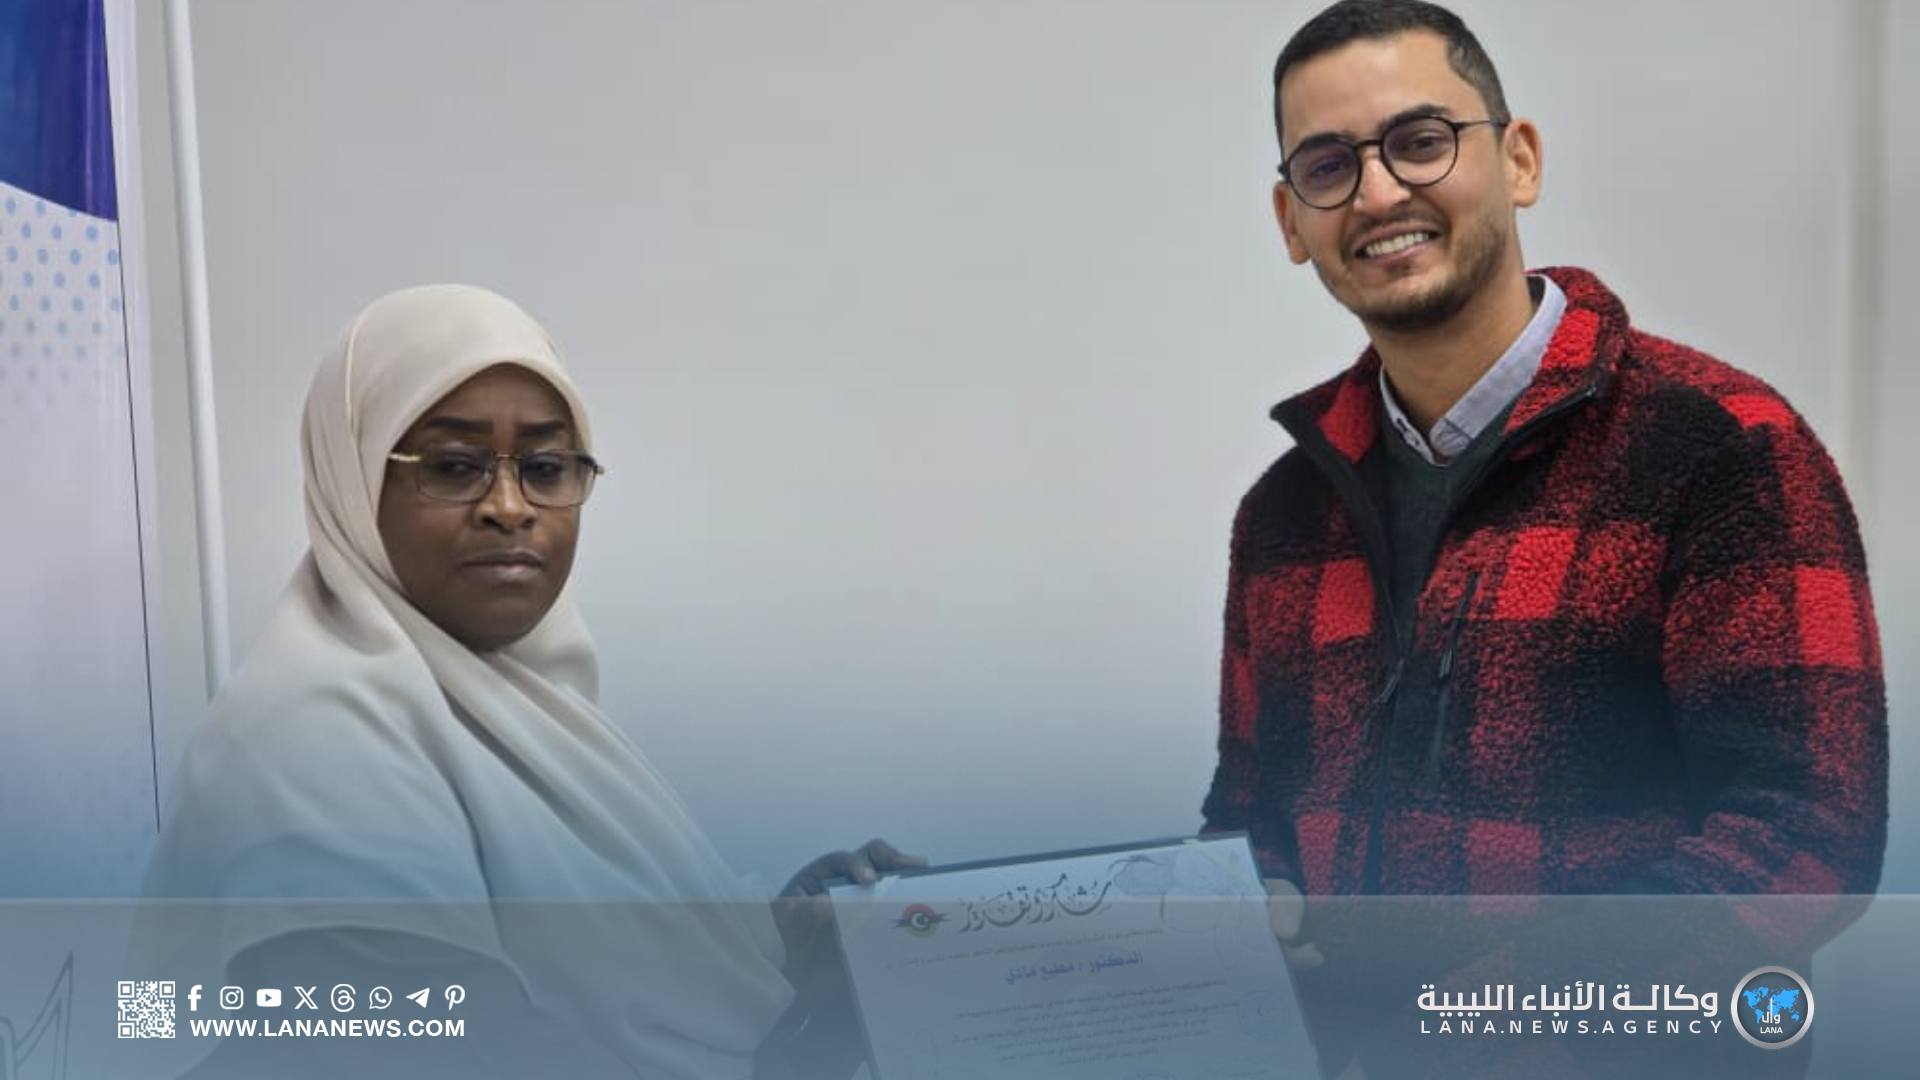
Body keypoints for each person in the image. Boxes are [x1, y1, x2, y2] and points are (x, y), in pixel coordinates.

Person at [1200, 2, 1888, 1076]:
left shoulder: (1721, 446)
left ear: (1518, 160)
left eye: (1421, 140)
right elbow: (1248, 824)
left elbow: (1806, 837)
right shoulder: (1283, 516)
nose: (1377, 192)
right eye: (1329, 166)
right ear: (1292, 222)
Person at [140, 284, 912, 1080]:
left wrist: (783, 950)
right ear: (355, 481)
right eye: (453, 467)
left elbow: (621, 1005)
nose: (510, 507)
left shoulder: (527, 720)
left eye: (545, 467)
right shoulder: (309, 747)